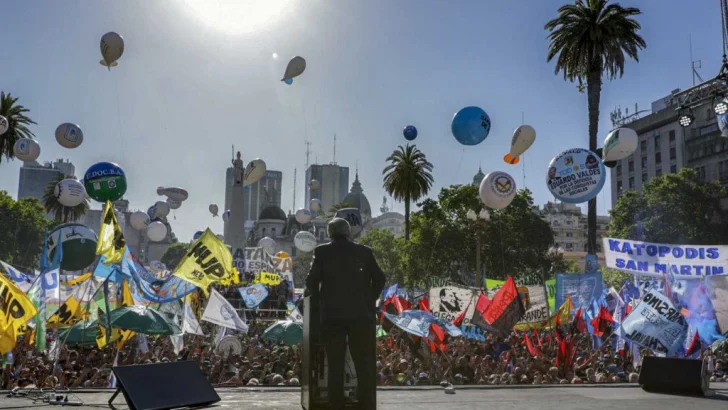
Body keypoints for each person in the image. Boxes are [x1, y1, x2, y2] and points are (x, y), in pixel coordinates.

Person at [305, 218, 386, 410]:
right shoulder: (364, 252)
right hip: (361, 316)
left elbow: (310, 282)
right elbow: (380, 279)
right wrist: (368, 300)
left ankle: (336, 404)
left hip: (332, 317)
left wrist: (320, 301)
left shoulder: (322, 252)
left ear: (330, 233)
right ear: (348, 232)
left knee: (335, 363)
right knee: (363, 362)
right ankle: (366, 404)